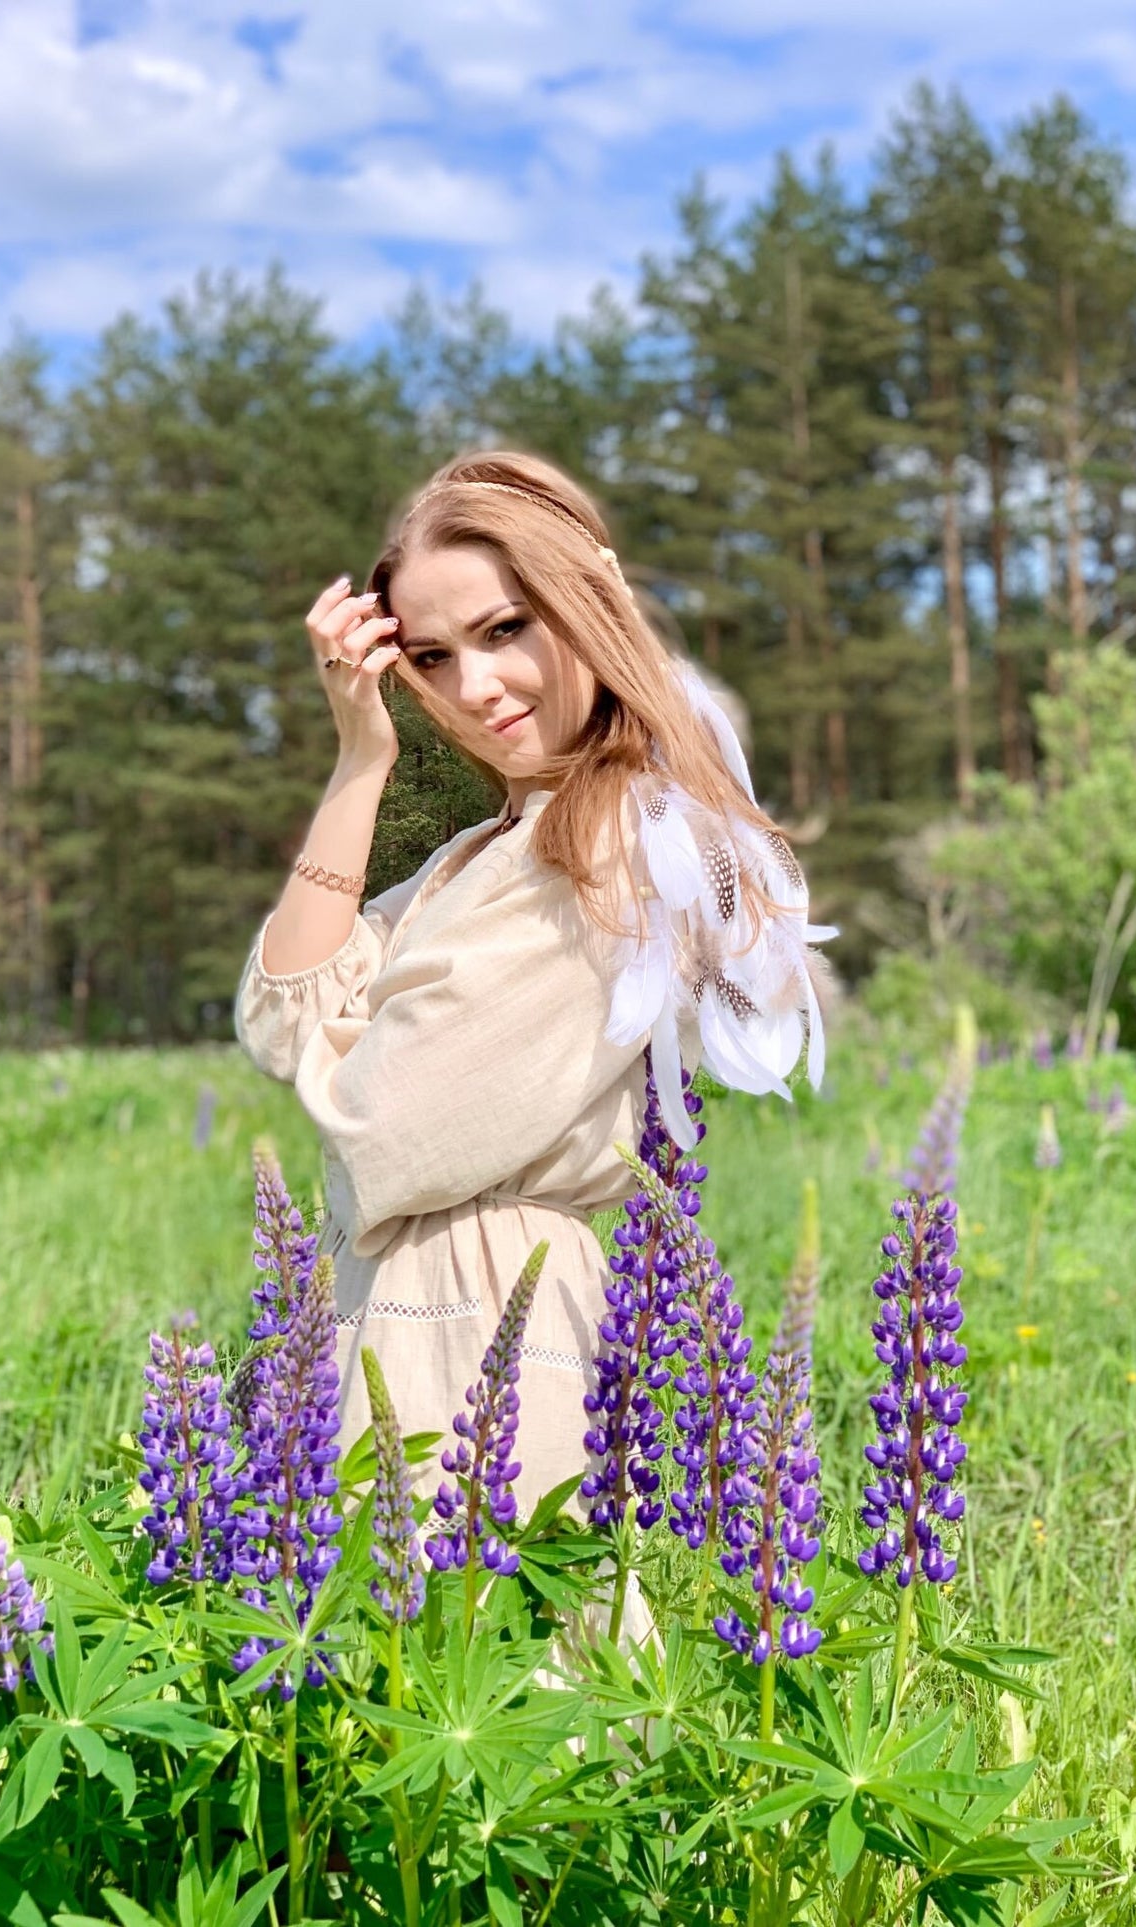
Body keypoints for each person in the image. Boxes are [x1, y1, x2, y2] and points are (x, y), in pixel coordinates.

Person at [234, 450, 833, 1516]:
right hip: (393, 1314)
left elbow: (378, 1127)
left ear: (582, 604)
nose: (474, 687)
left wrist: (359, 1038)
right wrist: (359, 761)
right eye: (431, 655)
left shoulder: (608, 845)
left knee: (502, 1651)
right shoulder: (485, 851)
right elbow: (285, 1020)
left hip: (483, 1323)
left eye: (505, 629)